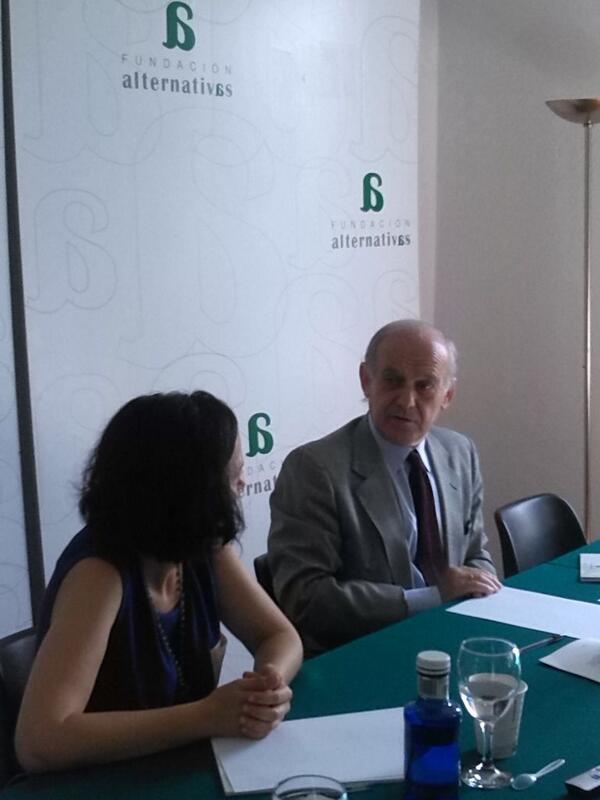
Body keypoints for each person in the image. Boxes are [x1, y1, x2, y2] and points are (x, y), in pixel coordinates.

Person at [16, 391, 302, 772]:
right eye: (232, 475)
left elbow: (280, 637)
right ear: (188, 492)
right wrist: (207, 715)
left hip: (171, 767)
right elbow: (40, 741)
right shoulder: (99, 575)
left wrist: (266, 687)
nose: (242, 484)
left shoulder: (203, 549)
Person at [268, 319, 501, 656]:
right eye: (393, 380)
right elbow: (305, 598)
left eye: (424, 386)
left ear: (447, 395)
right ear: (367, 380)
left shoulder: (460, 452)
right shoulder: (315, 469)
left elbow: (475, 553)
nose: (406, 401)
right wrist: (432, 598)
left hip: (450, 640)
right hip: (360, 655)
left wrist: (478, 584)